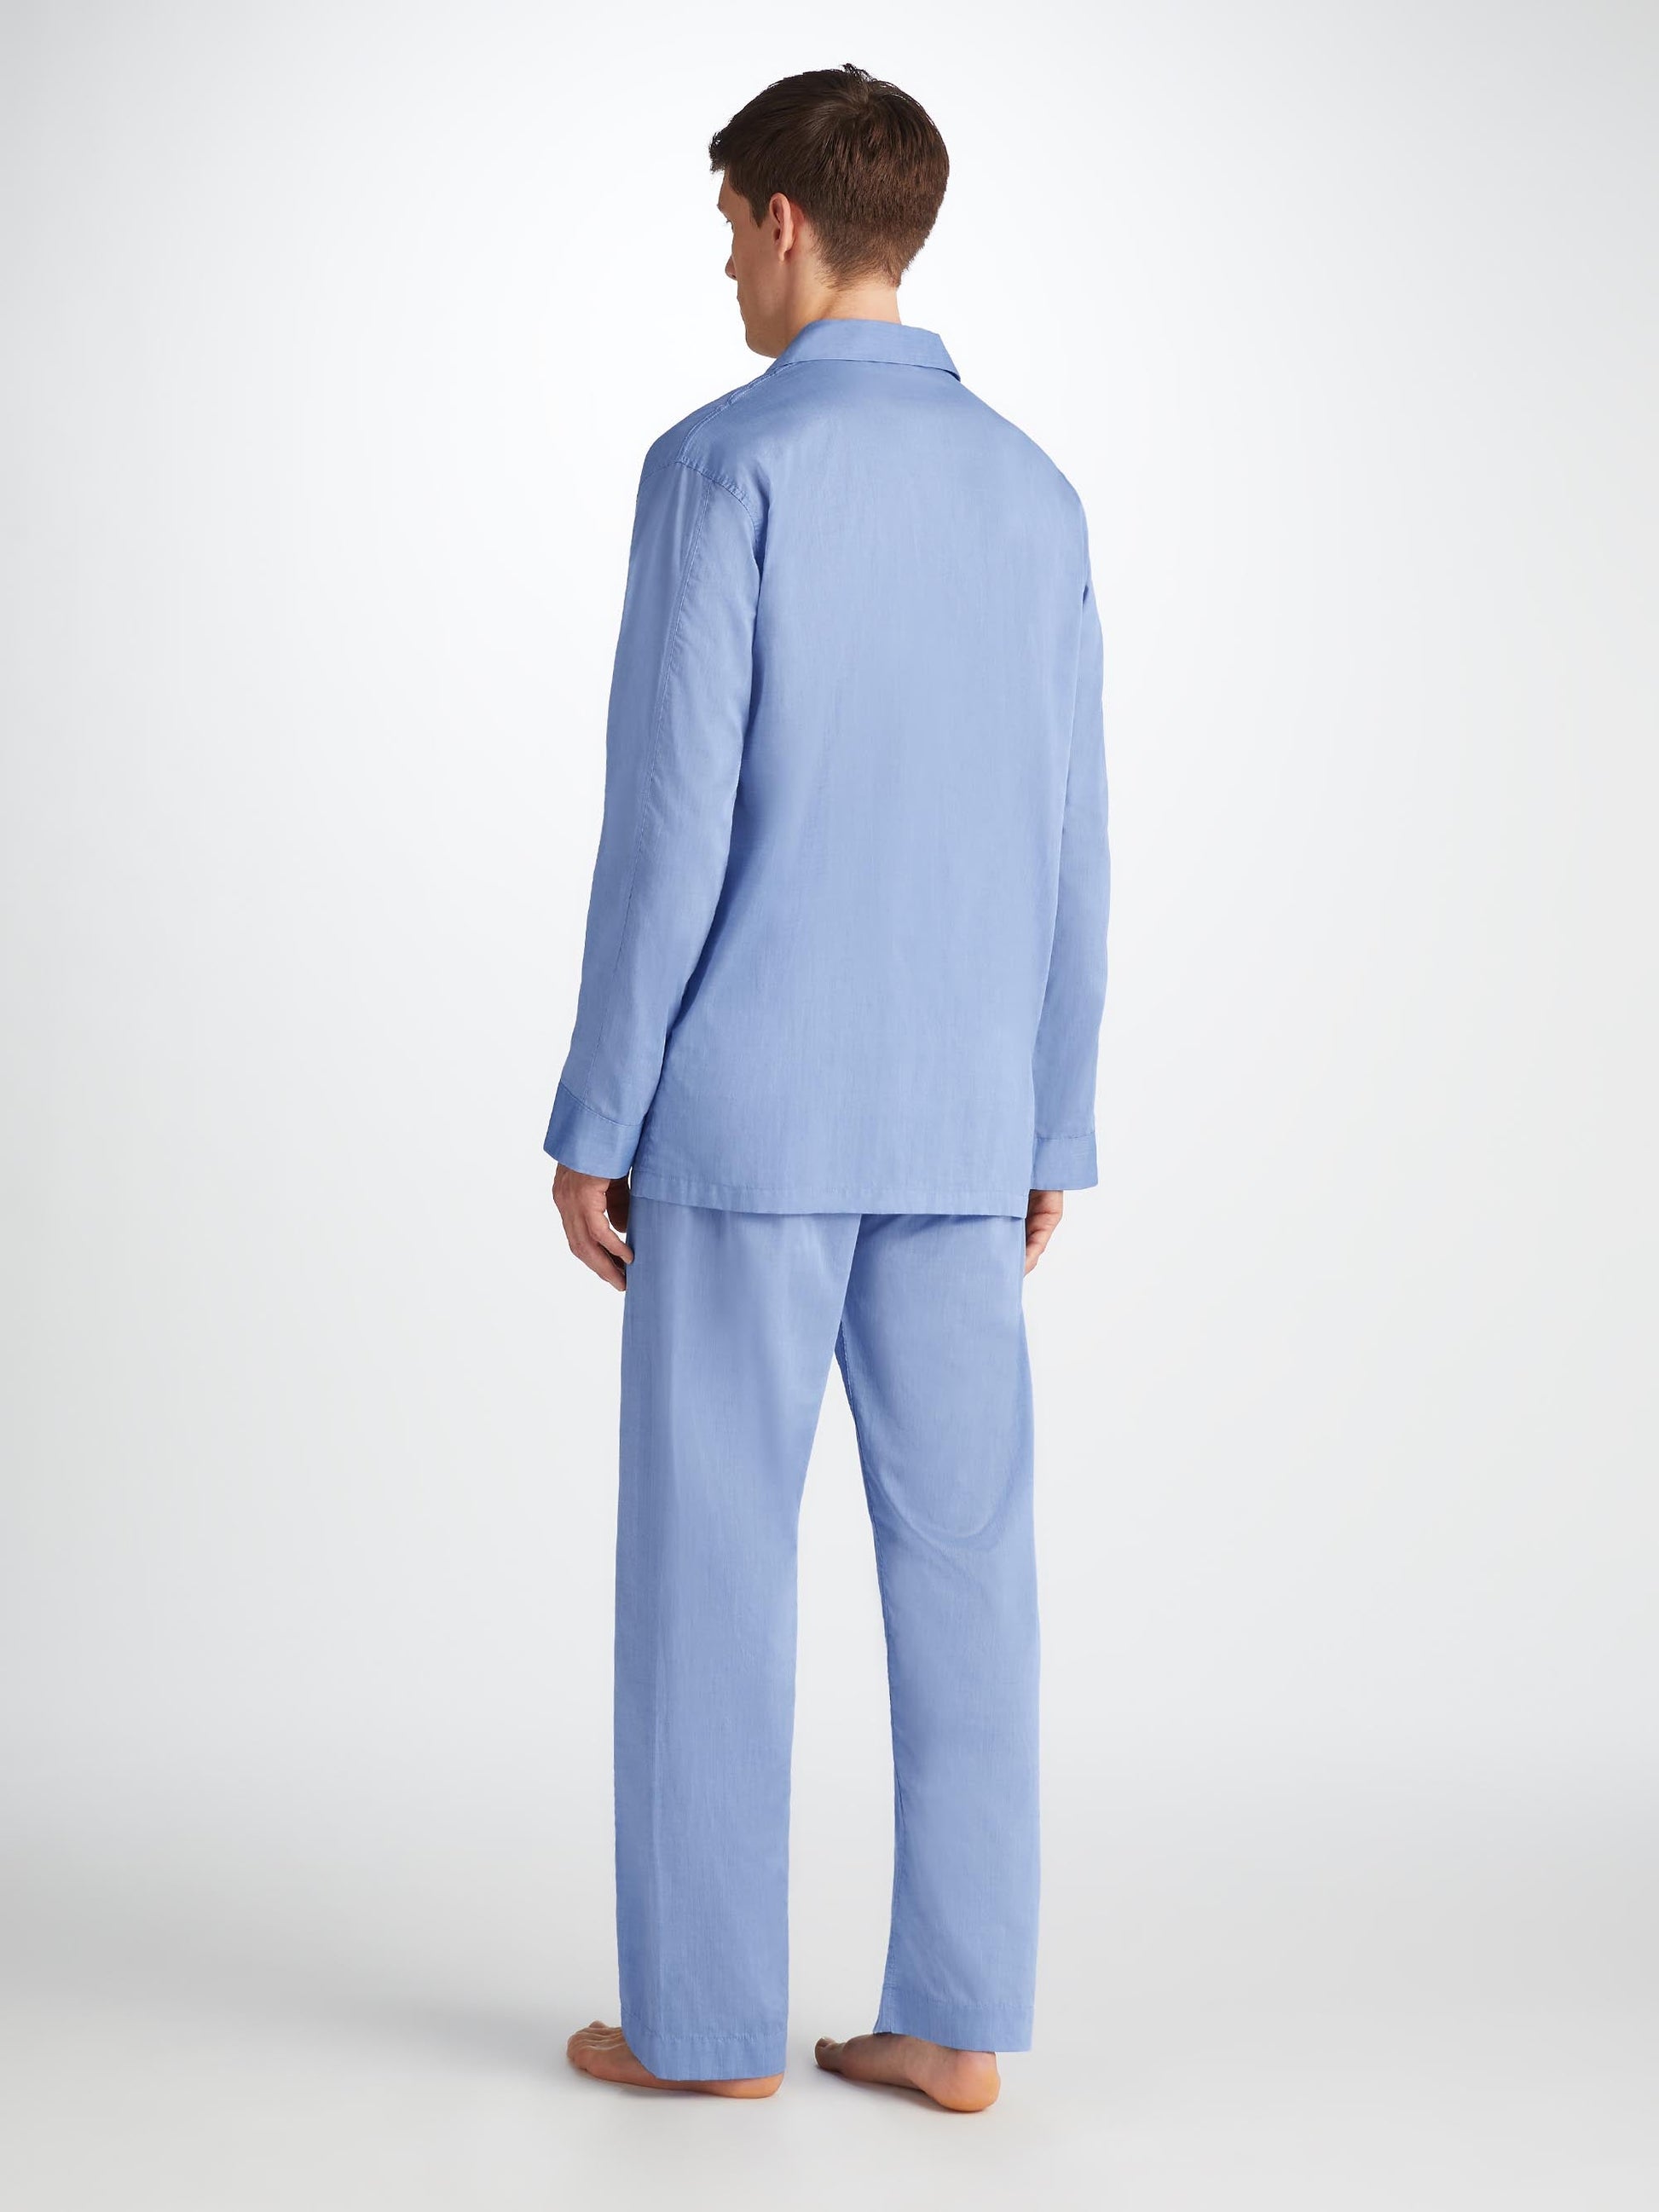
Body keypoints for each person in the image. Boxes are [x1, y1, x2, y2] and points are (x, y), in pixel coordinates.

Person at [546, 64, 1109, 2114]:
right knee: (966, 1570)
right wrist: (1049, 1113)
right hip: (959, 1120)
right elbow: (1072, 834)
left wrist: (597, 1110)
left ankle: (701, 2028)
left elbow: (668, 824)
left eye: (727, 225)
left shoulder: (720, 466)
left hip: (749, 1116)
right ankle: (954, 2019)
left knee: (712, 1565)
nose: (723, 263)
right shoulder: (1035, 495)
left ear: (783, 218)